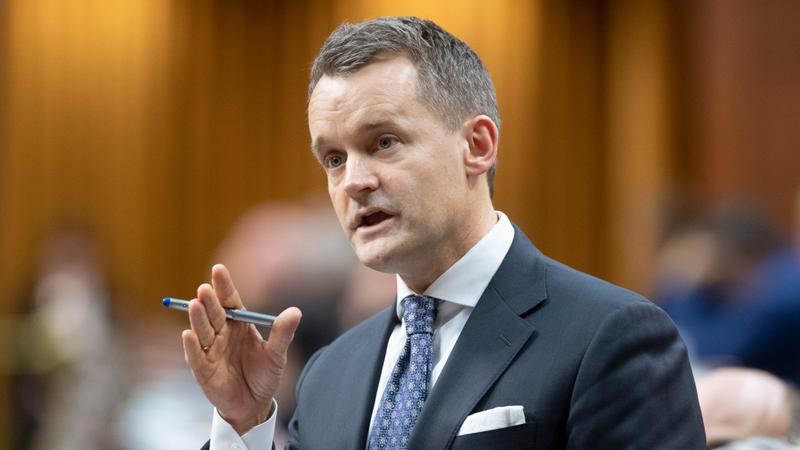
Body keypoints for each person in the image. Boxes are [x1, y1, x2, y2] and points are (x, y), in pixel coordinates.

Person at [181, 17, 705, 449]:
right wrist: (244, 425)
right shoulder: (329, 372)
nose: (354, 182)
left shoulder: (609, 336)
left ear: (477, 146)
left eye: (383, 142)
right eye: (334, 159)